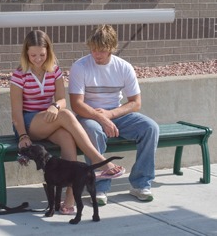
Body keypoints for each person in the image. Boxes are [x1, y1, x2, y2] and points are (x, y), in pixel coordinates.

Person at [10, 30, 125, 215]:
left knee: (67, 139)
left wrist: (55, 106)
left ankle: (69, 201)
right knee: (66, 115)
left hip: (50, 119)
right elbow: (16, 112)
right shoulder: (19, 74)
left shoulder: (54, 70)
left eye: (42, 54)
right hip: (28, 124)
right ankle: (100, 160)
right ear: (26, 53)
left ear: (48, 51)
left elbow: (62, 100)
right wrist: (23, 135)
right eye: (33, 55)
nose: (37, 59)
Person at [68, 24, 159, 206]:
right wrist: (101, 117)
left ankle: (140, 184)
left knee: (150, 128)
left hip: (116, 114)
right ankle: (99, 186)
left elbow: (136, 102)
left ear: (112, 48)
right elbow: (77, 104)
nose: (96, 55)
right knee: (94, 131)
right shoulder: (80, 66)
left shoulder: (123, 67)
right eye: (93, 50)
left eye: (101, 51)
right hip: (88, 116)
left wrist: (110, 114)